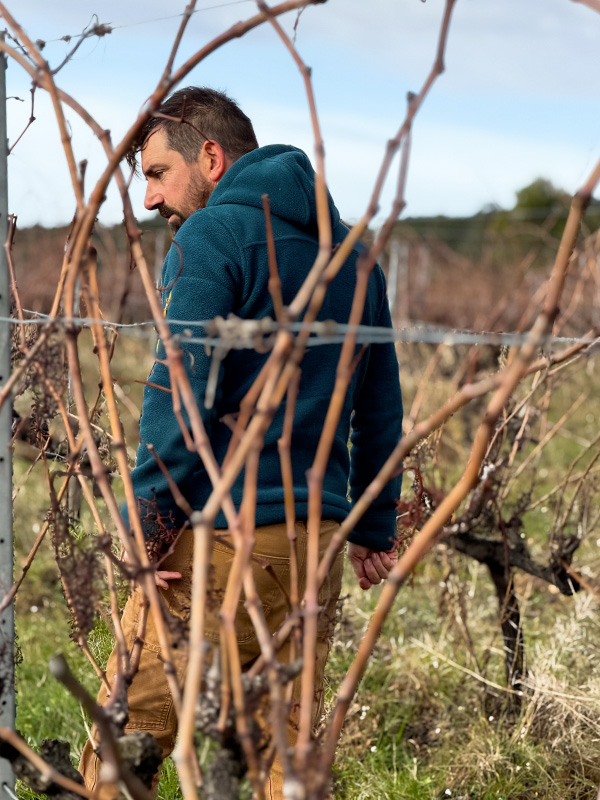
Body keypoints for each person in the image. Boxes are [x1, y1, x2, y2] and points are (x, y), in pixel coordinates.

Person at [80, 87, 403, 799]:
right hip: (312, 544)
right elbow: (380, 406)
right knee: (279, 762)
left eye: (158, 174)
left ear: (212, 157)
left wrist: (148, 525)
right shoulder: (356, 258)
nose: (152, 200)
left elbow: (182, 394)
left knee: (127, 738)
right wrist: (374, 527)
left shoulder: (212, 237)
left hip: (222, 540)